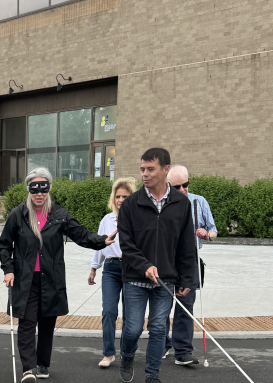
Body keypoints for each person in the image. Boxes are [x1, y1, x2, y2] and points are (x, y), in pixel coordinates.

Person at [0, 167, 116, 383]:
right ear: (29, 190)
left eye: (43, 188)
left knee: (46, 324)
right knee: (26, 323)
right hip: (25, 280)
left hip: (50, 279)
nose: (39, 194)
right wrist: (8, 269)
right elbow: (4, 245)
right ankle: (28, 369)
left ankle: (42, 364)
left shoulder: (59, 215)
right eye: (35, 189)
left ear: (49, 189)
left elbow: (80, 234)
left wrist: (102, 240)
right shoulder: (18, 214)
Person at [117, 148, 197, 383]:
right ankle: (128, 355)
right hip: (134, 279)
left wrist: (186, 279)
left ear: (166, 170)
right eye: (142, 169)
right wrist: (144, 266)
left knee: (159, 329)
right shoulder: (131, 203)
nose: (145, 174)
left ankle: (152, 375)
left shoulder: (182, 203)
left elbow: (186, 245)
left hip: (167, 280)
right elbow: (126, 244)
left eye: (150, 169)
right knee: (132, 329)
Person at [164, 165, 218, 365]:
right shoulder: (163, 204)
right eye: (176, 187)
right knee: (163, 304)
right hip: (168, 261)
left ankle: (183, 351)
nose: (182, 190)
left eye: (185, 185)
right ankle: (162, 345)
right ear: (169, 186)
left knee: (186, 306)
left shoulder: (199, 202)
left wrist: (207, 235)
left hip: (191, 260)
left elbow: (213, 230)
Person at [88, 177, 137, 368]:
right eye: (118, 196)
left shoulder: (138, 220)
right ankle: (108, 353)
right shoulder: (107, 220)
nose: (121, 200)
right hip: (111, 269)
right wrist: (93, 268)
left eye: (125, 196)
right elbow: (100, 246)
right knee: (109, 311)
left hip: (132, 269)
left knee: (129, 314)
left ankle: (127, 353)